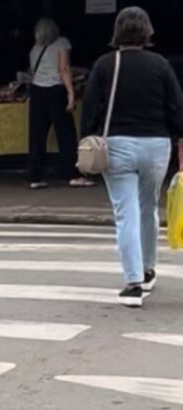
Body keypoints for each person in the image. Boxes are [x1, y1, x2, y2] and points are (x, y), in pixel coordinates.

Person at [81, 6, 183, 308]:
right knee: (148, 205)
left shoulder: (104, 64)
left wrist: (86, 137)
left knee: (125, 212)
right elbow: (175, 106)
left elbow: (90, 108)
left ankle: (133, 282)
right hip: (156, 145)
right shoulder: (161, 65)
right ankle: (149, 268)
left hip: (118, 145)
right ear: (147, 31)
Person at [27, 19, 91, 190]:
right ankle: (72, 174)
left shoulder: (35, 48)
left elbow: (33, 71)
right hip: (55, 90)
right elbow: (64, 69)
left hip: (37, 91)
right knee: (65, 133)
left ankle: (35, 176)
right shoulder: (62, 43)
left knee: (37, 134)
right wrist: (71, 93)